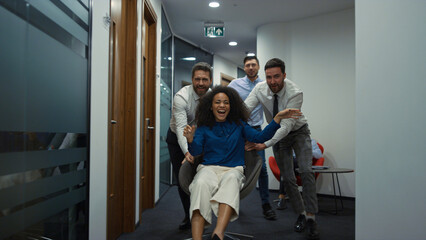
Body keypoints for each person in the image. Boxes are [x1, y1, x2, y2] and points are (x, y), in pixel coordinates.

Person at [183, 86, 301, 240]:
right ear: (211, 107)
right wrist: (191, 139)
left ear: (231, 107)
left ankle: (218, 235)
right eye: (217, 102)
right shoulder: (204, 127)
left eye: (226, 102)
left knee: (231, 180)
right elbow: (197, 150)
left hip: (233, 169)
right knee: (200, 184)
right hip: (208, 168)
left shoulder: (239, 125)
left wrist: (277, 118)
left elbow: (260, 137)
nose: (222, 106)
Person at [245, 58, 320, 239]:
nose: (272, 82)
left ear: (284, 76)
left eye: (277, 77)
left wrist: (266, 143)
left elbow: (286, 126)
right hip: (277, 131)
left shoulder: (295, 93)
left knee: (306, 170)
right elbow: (244, 109)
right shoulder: (260, 89)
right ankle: (301, 214)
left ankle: (311, 217)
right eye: (269, 77)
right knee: (287, 177)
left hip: (298, 131)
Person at [228, 56, 276, 220]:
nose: (250, 67)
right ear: (244, 67)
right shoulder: (235, 84)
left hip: (256, 130)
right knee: (236, 168)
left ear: (258, 66)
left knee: (261, 168)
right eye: (247, 65)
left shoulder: (265, 85)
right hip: (238, 129)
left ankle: (266, 205)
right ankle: (232, 204)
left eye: (253, 65)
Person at [166, 62, 213, 230]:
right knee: (183, 178)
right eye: (197, 79)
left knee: (202, 177)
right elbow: (180, 128)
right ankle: (190, 215)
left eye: (205, 80)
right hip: (177, 140)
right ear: (192, 79)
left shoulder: (213, 97)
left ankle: (203, 213)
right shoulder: (181, 97)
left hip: (200, 138)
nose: (201, 83)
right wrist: (187, 152)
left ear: (210, 81)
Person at [276, 139, 323, 210]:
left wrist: (307, 151)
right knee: (289, 163)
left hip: (305, 166)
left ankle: (282, 197)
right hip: (294, 166)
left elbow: (319, 155)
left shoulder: (311, 141)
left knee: (287, 167)